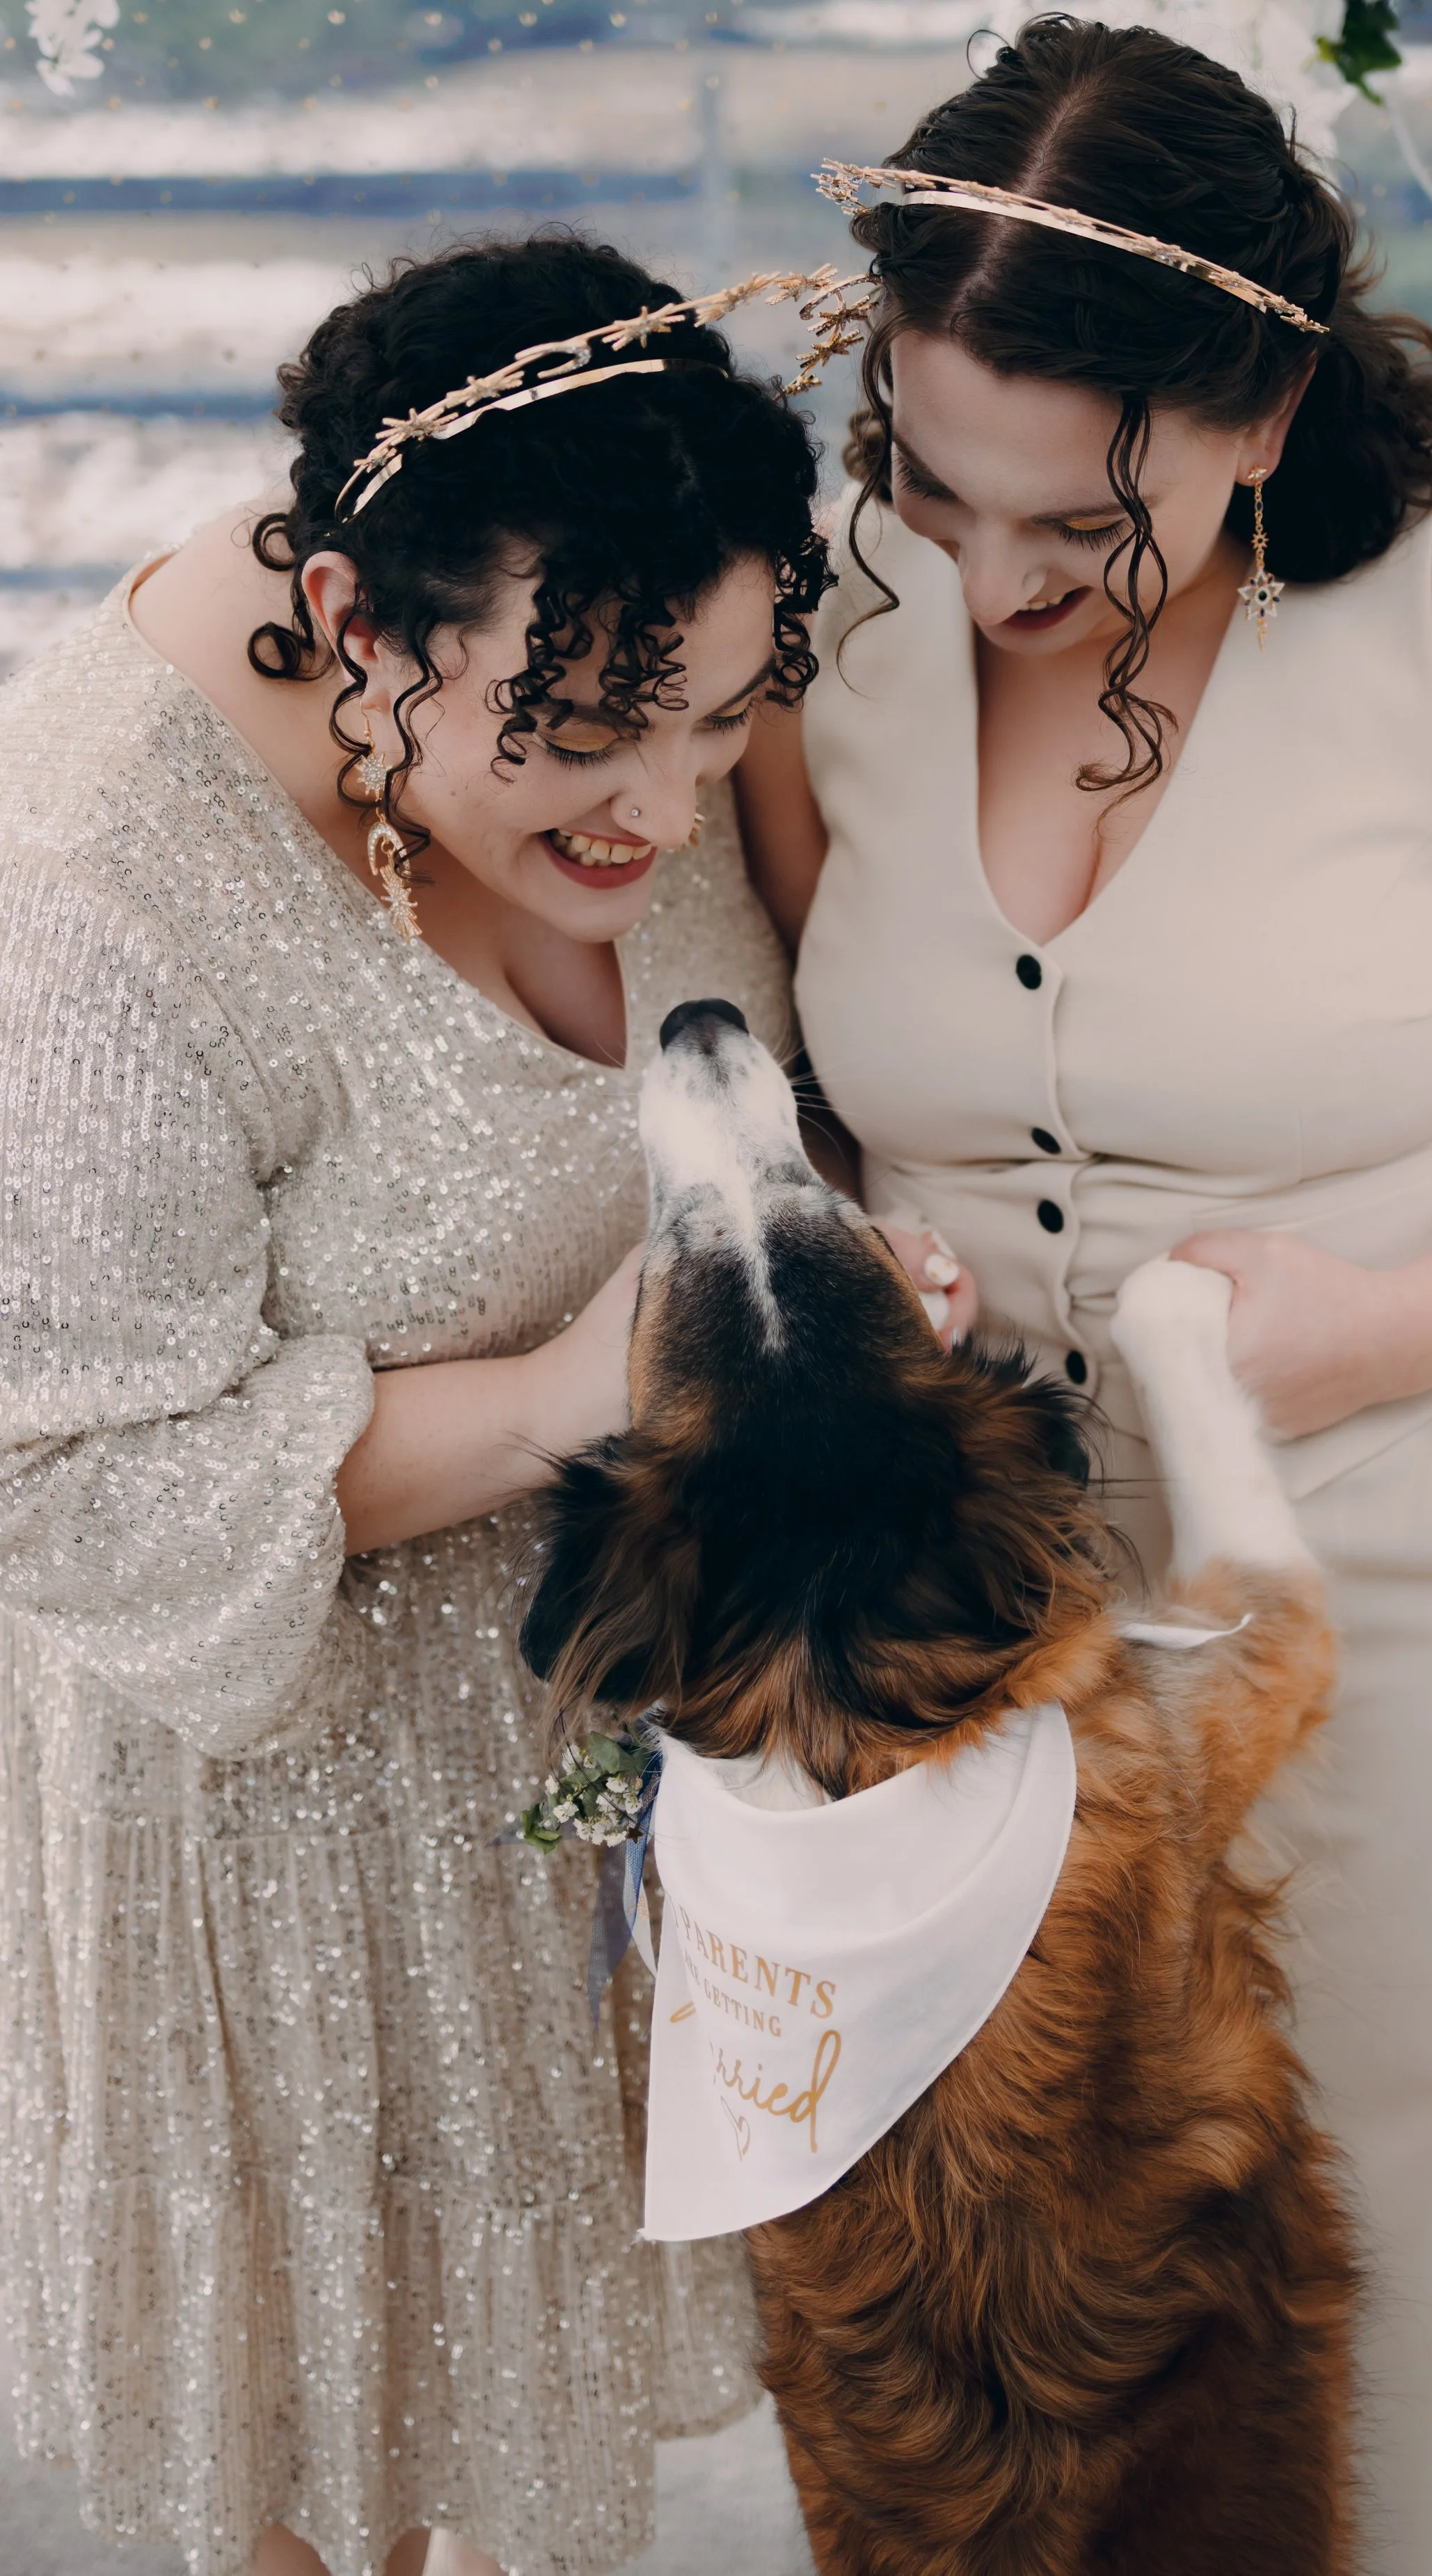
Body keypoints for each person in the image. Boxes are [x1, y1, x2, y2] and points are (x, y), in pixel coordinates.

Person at [735, 19, 1432, 2575]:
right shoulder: (835, 605)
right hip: (980, 1631)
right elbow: (794, 1071)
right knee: (980, 2360)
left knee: (1351, 2357)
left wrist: (1372, 1333)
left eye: (1075, 521)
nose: (985, 582)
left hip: (1423, 1567)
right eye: (932, 487)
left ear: (1264, 395)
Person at [0, 232, 836, 2576]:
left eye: (717, 720)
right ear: (367, 627)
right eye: (582, 743)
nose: (667, 810)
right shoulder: (94, 871)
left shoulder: (658, 647)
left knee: (542, 2497)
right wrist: (585, 1385)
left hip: (595, 1763)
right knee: (332, 2492)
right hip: (286, 1834)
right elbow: (74, 1472)